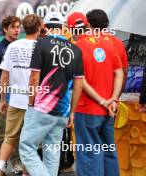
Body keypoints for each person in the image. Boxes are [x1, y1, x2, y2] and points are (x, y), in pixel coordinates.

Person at [19, 12, 84, 176]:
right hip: (63, 111)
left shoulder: (40, 43)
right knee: (52, 151)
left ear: (44, 27)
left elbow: (34, 78)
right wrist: (72, 112)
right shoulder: (76, 49)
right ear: (63, 28)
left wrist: (31, 103)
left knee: (26, 147)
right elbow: (78, 84)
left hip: (41, 107)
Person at [67, 12, 124, 176]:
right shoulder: (108, 43)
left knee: (89, 154)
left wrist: (101, 101)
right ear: (87, 25)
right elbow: (119, 73)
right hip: (108, 110)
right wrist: (113, 99)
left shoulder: (76, 48)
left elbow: (80, 82)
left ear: (71, 30)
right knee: (108, 151)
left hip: (87, 109)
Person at [0, 14, 42, 176]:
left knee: (9, 137)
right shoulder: (40, 46)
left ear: (24, 27)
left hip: (14, 100)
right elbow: (38, 77)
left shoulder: (12, 46)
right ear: (39, 28)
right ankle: (26, 173)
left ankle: (0, 168)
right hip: (34, 101)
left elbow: (4, 76)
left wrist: (2, 99)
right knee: (30, 142)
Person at [0, 15, 23, 174]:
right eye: (13, 27)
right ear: (5, 29)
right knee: (3, 134)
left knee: (20, 134)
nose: (17, 30)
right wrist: (7, 82)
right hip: (4, 99)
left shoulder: (23, 46)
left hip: (21, 99)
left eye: (18, 27)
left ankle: (17, 164)